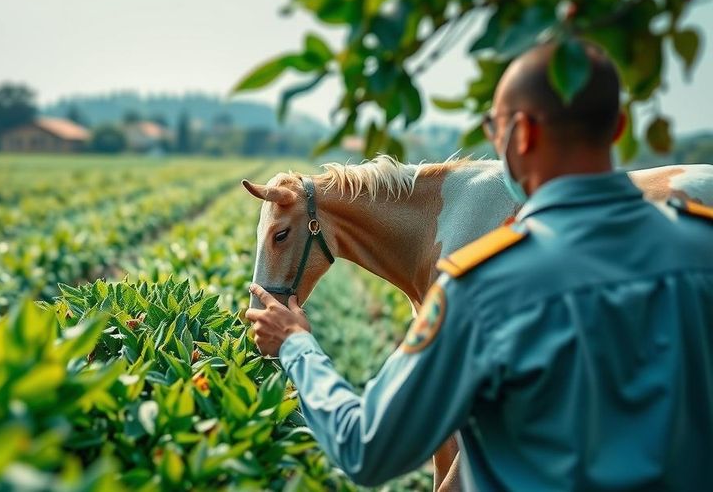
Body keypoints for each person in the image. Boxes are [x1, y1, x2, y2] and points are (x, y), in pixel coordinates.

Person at [244, 40, 713, 490]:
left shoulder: (482, 288)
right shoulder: (701, 244)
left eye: (495, 129)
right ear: (618, 127)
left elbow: (366, 447)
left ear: (522, 135)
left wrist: (296, 345)